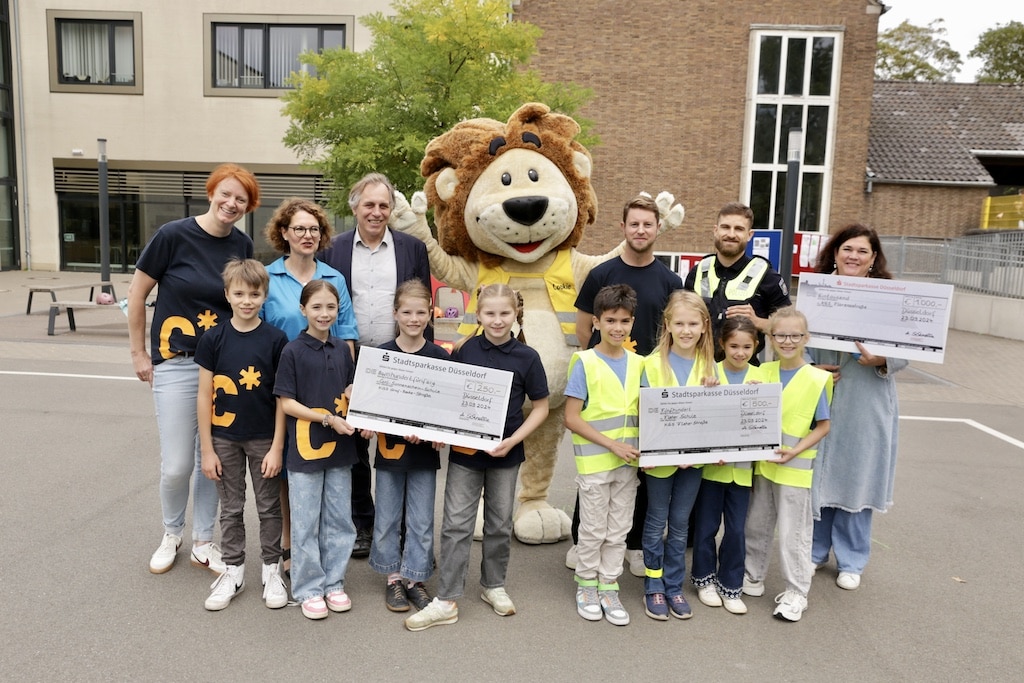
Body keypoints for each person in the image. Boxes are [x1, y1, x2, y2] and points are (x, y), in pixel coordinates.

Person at [128, 162, 260, 576]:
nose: (231, 203)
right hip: (177, 363)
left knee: (212, 460)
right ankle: (172, 533)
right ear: (211, 192)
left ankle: (204, 540)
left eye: (241, 199)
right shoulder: (173, 235)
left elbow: (245, 301)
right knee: (177, 464)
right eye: (226, 194)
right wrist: (138, 353)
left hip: (223, 368)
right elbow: (137, 293)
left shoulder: (242, 245)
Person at [405, 284, 550, 632]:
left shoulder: (528, 357)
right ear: (479, 315)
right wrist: (439, 431)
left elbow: (541, 407)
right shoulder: (464, 349)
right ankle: (447, 599)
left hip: (506, 453)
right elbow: (449, 399)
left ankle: (493, 585)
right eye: (490, 313)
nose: (497, 320)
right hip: (465, 454)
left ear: (516, 313)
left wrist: (513, 440)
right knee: (456, 525)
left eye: (504, 313)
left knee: (499, 524)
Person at [570, 194, 683, 576]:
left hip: (648, 384)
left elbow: (674, 333)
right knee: (595, 472)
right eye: (634, 223)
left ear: (658, 228)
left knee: (640, 469)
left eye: (648, 224)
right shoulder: (601, 273)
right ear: (622, 227)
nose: (640, 230)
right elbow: (583, 328)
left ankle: (633, 544)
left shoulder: (670, 280)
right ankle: (582, 540)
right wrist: (600, 368)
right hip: (605, 381)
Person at [322, 173, 432, 559]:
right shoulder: (332, 249)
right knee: (354, 448)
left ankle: (400, 525)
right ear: (355, 207)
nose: (376, 212)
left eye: (384, 205)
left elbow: (422, 305)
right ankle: (363, 523)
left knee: (400, 444)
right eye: (369, 204)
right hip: (349, 360)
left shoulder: (412, 248)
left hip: (398, 360)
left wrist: (423, 366)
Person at [260, 197, 359, 577]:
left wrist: (347, 385)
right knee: (290, 467)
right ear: (284, 233)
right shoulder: (269, 277)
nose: (307, 235)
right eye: (299, 228)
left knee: (321, 466)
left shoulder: (334, 279)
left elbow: (346, 335)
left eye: (314, 229)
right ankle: (290, 541)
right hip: (281, 385)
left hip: (324, 387)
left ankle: (320, 549)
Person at [809, 224, 908, 591]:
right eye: (847, 249)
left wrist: (883, 359)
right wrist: (809, 367)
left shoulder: (890, 299)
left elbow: (910, 347)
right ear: (835, 253)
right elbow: (793, 338)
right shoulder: (816, 293)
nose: (853, 256)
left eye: (862, 251)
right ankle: (815, 550)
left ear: (873, 258)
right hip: (822, 394)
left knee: (858, 474)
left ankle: (852, 559)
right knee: (818, 471)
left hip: (868, 398)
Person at [195, 259, 289, 611]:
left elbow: (281, 398)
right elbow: (204, 395)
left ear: (264, 296)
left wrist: (277, 447)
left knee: (268, 507)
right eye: (239, 294)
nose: (247, 301)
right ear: (227, 295)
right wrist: (207, 449)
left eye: (254, 294)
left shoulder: (276, 340)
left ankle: (271, 568)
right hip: (224, 438)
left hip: (264, 438)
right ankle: (233, 570)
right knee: (231, 508)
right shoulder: (213, 339)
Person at [274, 281, 359, 620]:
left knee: (339, 519)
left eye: (331, 307)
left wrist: (355, 396)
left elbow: (350, 387)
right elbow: (286, 402)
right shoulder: (292, 351)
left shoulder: (342, 349)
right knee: (306, 521)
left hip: (340, 450)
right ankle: (309, 588)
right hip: (305, 452)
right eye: (317, 307)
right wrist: (326, 419)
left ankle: (334, 582)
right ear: (303, 309)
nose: (324, 314)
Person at [742, 307, 833, 622]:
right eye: (780, 335)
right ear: (770, 337)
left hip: (795, 469)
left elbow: (823, 425)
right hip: (764, 466)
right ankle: (753, 576)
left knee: (794, 533)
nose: (788, 341)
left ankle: (797, 592)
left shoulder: (816, 378)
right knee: (757, 524)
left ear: (806, 338)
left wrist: (795, 451)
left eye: (795, 335)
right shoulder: (762, 371)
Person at [368, 280, 449, 614]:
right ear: (395, 314)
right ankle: (393, 577)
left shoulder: (440, 357)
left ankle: (415, 578)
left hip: (424, 454)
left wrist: (438, 432)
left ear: (430, 313)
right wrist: (367, 421)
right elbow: (371, 404)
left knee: (421, 519)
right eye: (407, 312)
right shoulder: (381, 355)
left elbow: (446, 407)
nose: (414, 319)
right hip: (389, 453)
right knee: (387, 517)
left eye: (420, 313)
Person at [564, 285, 642, 626]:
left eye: (624, 321)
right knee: (594, 529)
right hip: (596, 463)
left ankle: (609, 586)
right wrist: (612, 445)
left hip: (628, 465)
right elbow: (571, 417)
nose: (617, 327)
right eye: (610, 320)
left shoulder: (641, 364)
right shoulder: (585, 362)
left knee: (619, 530)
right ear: (596, 321)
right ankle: (587, 585)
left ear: (633, 322)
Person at [639, 290, 718, 621]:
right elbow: (646, 415)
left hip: (693, 461)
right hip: (660, 460)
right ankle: (653, 584)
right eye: (680, 324)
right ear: (668, 324)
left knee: (681, 523)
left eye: (693, 324)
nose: (686, 331)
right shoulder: (650, 364)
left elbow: (717, 416)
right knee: (656, 520)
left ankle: (674, 585)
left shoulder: (711, 367)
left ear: (704, 326)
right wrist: (667, 452)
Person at [690, 316, 764, 615]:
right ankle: (704, 580)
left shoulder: (761, 378)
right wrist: (705, 389)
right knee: (706, 527)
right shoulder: (709, 373)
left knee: (736, 530)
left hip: (742, 471)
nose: (740, 352)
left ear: (755, 346)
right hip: (711, 470)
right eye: (733, 346)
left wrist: (762, 397)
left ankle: (731, 584)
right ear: (722, 344)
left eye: (746, 347)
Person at [684, 202, 791, 361]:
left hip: (744, 370)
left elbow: (789, 328)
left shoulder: (767, 276)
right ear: (715, 230)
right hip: (698, 366)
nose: (731, 234)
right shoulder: (698, 272)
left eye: (739, 229)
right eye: (725, 227)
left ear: (749, 235)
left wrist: (757, 322)